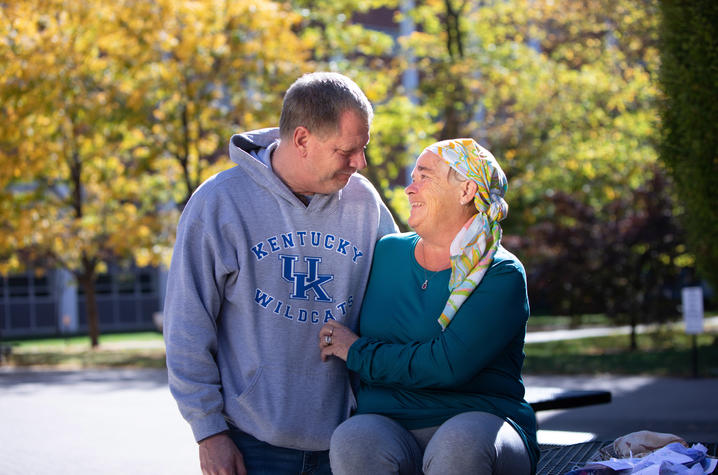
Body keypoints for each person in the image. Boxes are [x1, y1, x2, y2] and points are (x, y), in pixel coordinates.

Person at [163, 72, 398, 475]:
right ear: (303, 140)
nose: (360, 163)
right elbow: (187, 324)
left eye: (364, 148)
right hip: (251, 444)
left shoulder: (365, 203)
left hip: (348, 444)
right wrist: (209, 432)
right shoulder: (219, 204)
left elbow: (400, 300)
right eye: (347, 151)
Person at [319, 138, 540, 474]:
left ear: (466, 190)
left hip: (480, 419)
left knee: (459, 444)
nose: (410, 189)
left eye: (424, 177)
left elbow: (446, 365)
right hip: (390, 423)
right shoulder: (386, 253)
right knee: (353, 438)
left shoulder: (500, 273)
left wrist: (357, 351)